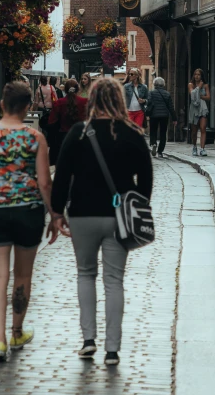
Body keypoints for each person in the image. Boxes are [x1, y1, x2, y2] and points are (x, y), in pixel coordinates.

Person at [51, 77, 153, 366]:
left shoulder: (78, 133)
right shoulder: (132, 133)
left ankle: (88, 341)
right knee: (114, 280)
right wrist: (137, 204)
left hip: (82, 213)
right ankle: (112, 349)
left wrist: (57, 212)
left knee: (85, 274)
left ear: (93, 101)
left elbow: (61, 176)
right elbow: (146, 179)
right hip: (118, 216)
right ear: (119, 100)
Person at [0, 82, 58, 362]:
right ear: (28, 107)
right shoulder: (35, 137)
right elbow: (44, 181)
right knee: (23, 275)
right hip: (28, 211)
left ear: (1, 104)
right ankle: (17, 330)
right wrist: (54, 215)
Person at [48, 79, 87, 165]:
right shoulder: (84, 102)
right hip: (80, 139)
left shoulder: (59, 103)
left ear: (65, 90)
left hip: (63, 139)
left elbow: (51, 122)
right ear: (77, 89)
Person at [147, 77, 177, 158]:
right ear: (163, 84)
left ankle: (153, 143)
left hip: (154, 115)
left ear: (154, 84)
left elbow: (149, 102)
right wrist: (174, 118)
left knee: (153, 131)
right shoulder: (167, 94)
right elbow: (171, 107)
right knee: (163, 133)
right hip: (164, 115)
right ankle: (160, 151)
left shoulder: (151, 92)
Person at [188, 69, 210, 157]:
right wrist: (199, 88)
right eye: (195, 74)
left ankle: (202, 149)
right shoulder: (191, 84)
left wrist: (200, 96)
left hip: (202, 108)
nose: (197, 76)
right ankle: (194, 147)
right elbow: (192, 95)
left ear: (201, 76)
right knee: (194, 131)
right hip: (194, 108)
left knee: (203, 127)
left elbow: (208, 97)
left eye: (199, 75)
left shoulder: (205, 85)